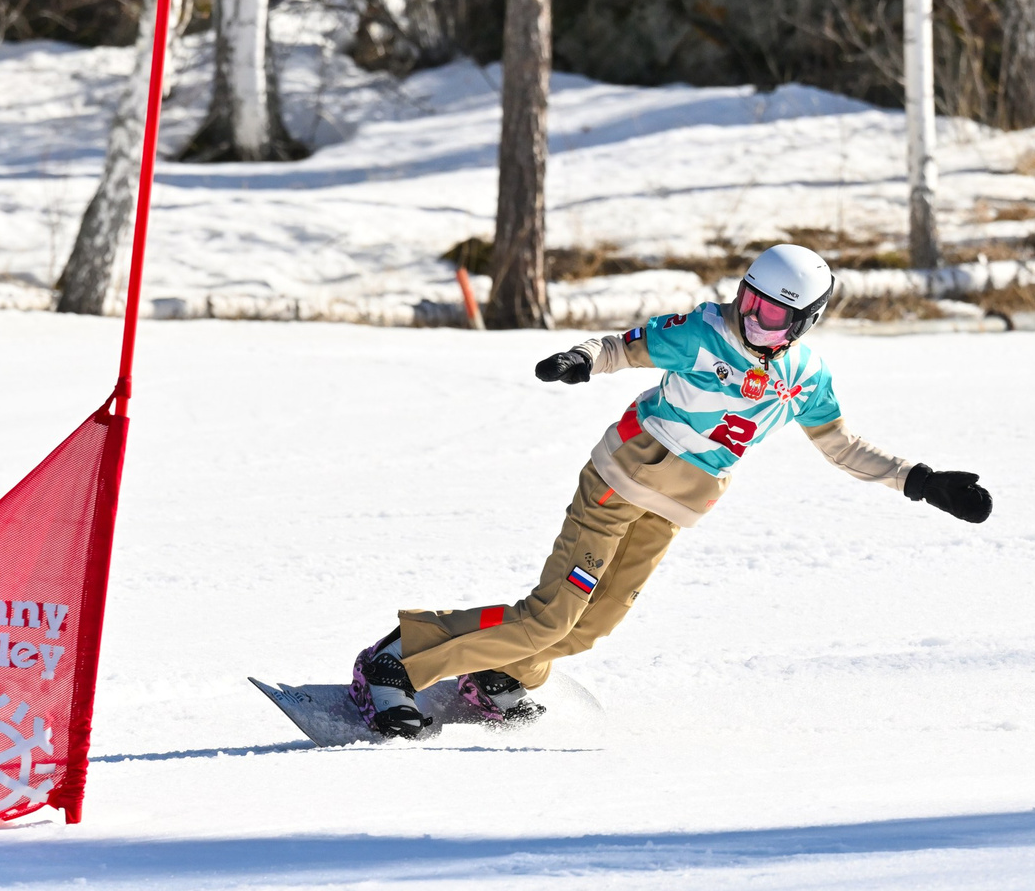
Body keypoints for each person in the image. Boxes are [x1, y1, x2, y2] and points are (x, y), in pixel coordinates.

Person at [351, 242, 995, 736]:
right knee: (549, 616)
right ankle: (396, 660)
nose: (754, 319)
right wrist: (581, 359)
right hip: (618, 484)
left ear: (804, 323)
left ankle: (498, 675)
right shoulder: (705, 332)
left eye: (773, 315)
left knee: (589, 628)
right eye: (750, 301)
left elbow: (841, 446)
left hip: (673, 510)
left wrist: (920, 481)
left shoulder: (804, 376)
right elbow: (623, 347)